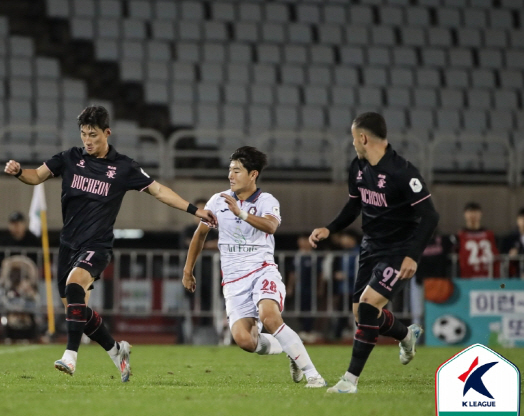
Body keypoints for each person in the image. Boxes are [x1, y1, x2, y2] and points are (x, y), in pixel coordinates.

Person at [4, 105, 217, 381]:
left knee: (74, 285)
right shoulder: (69, 158)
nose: (87, 140)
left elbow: (159, 190)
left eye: (92, 134)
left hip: (98, 245)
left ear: (107, 133)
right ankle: (117, 351)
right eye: (83, 134)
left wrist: (194, 209)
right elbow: (36, 176)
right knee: (76, 310)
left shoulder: (123, 167)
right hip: (69, 245)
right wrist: (20, 171)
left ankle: (70, 356)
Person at [309, 112, 439, 394]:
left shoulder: (403, 172)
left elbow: (430, 216)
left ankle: (349, 381)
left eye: (354, 138)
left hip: (398, 250)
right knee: (362, 315)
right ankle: (406, 334)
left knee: (368, 307)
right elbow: (354, 205)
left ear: (363, 137)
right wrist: (330, 228)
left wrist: (413, 255)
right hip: (370, 247)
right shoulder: (358, 167)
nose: (353, 143)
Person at [182, 146, 326, 388]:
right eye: (230, 170)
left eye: (237, 171)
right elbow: (200, 235)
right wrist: (188, 271)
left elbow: (271, 227)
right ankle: (291, 348)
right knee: (245, 341)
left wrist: (242, 214)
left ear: (253, 174)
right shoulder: (217, 201)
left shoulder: (267, 200)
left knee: (269, 317)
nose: (231, 175)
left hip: (262, 271)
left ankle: (313, 375)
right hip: (233, 281)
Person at [456, 202, 499, 278]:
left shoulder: (490, 235)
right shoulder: (460, 236)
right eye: (470, 212)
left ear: (480, 214)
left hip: (488, 276)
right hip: (467, 278)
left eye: (475, 212)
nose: (473, 215)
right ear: (465, 214)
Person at [500, 207, 524, 277]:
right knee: (503, 286)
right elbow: (501, 256)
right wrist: (509, 256)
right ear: (517, 220)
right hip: (514, 276)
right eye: (522, 219)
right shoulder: (509, 239)